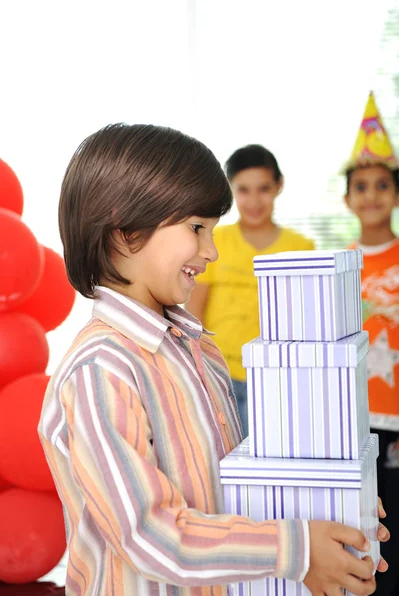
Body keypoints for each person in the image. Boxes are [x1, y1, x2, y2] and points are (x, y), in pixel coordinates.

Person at [38, 123, 386, 596]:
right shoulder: (101, 370)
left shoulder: (199, 348)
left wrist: (336, 504)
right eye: (197, 228)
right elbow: (148, 535)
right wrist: (297, 550)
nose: (212, 252)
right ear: (125, 230)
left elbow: (231, 490)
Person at [186, 145, 315, 435]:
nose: (254, 200)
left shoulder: (301, 247)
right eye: (243, 190)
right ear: (230, 189)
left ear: (279, 186)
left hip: (280, 376)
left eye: (264, 188)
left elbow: (307, 318)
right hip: (223, 375)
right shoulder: (213, 240)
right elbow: (195, 309)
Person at [344, 91, 399, 596]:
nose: (372, 195)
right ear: (347, 199)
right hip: (357, 421)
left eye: (383, 185)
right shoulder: (341, 265)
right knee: (365, 536)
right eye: (361, 186)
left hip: (398, 416)